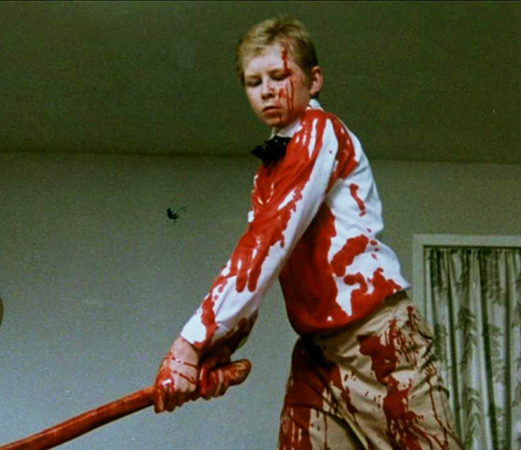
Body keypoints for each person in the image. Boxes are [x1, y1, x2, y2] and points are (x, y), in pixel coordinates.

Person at [153, 15, 462, 450]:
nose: (266, 90)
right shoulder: (269, 171)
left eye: (279, 76)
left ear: (314, 80)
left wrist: (191, 343)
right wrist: (218, 348)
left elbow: (266, 245)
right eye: (253, 82)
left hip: (378, 339)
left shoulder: (319, 131)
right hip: (316, 354)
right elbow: (266, 263)